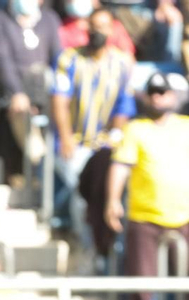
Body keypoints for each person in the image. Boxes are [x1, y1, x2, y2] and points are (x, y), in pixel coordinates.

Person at [106, 71, 189, 300]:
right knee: (142, 284)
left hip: (184, 215)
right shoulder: (135, 129)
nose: (157, 98)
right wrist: (113, 200)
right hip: (146, 217)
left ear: (173, 96)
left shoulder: (185, 126)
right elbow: (121, 165)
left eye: (162, 92)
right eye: (153, 93)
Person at [51, 7, 134, 244]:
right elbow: (60, 100)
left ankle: (105, 248)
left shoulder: (120, 62)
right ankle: (85, 243)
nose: (99, 32)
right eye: (94, 26)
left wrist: (115, 135)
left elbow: (123, 105)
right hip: (75, 141)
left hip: (104, 143)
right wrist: (65, 137)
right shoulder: (69, 58)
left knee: (107, 190)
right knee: (82, 194)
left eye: (104, 26)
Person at [0, 0, 63, 184]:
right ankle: (37, 171)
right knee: (19, 117)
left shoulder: (49, 19)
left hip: (45, 91)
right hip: (15, 94)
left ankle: (48, 173)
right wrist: (16, 92)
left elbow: (57, 57)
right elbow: (1, 61)